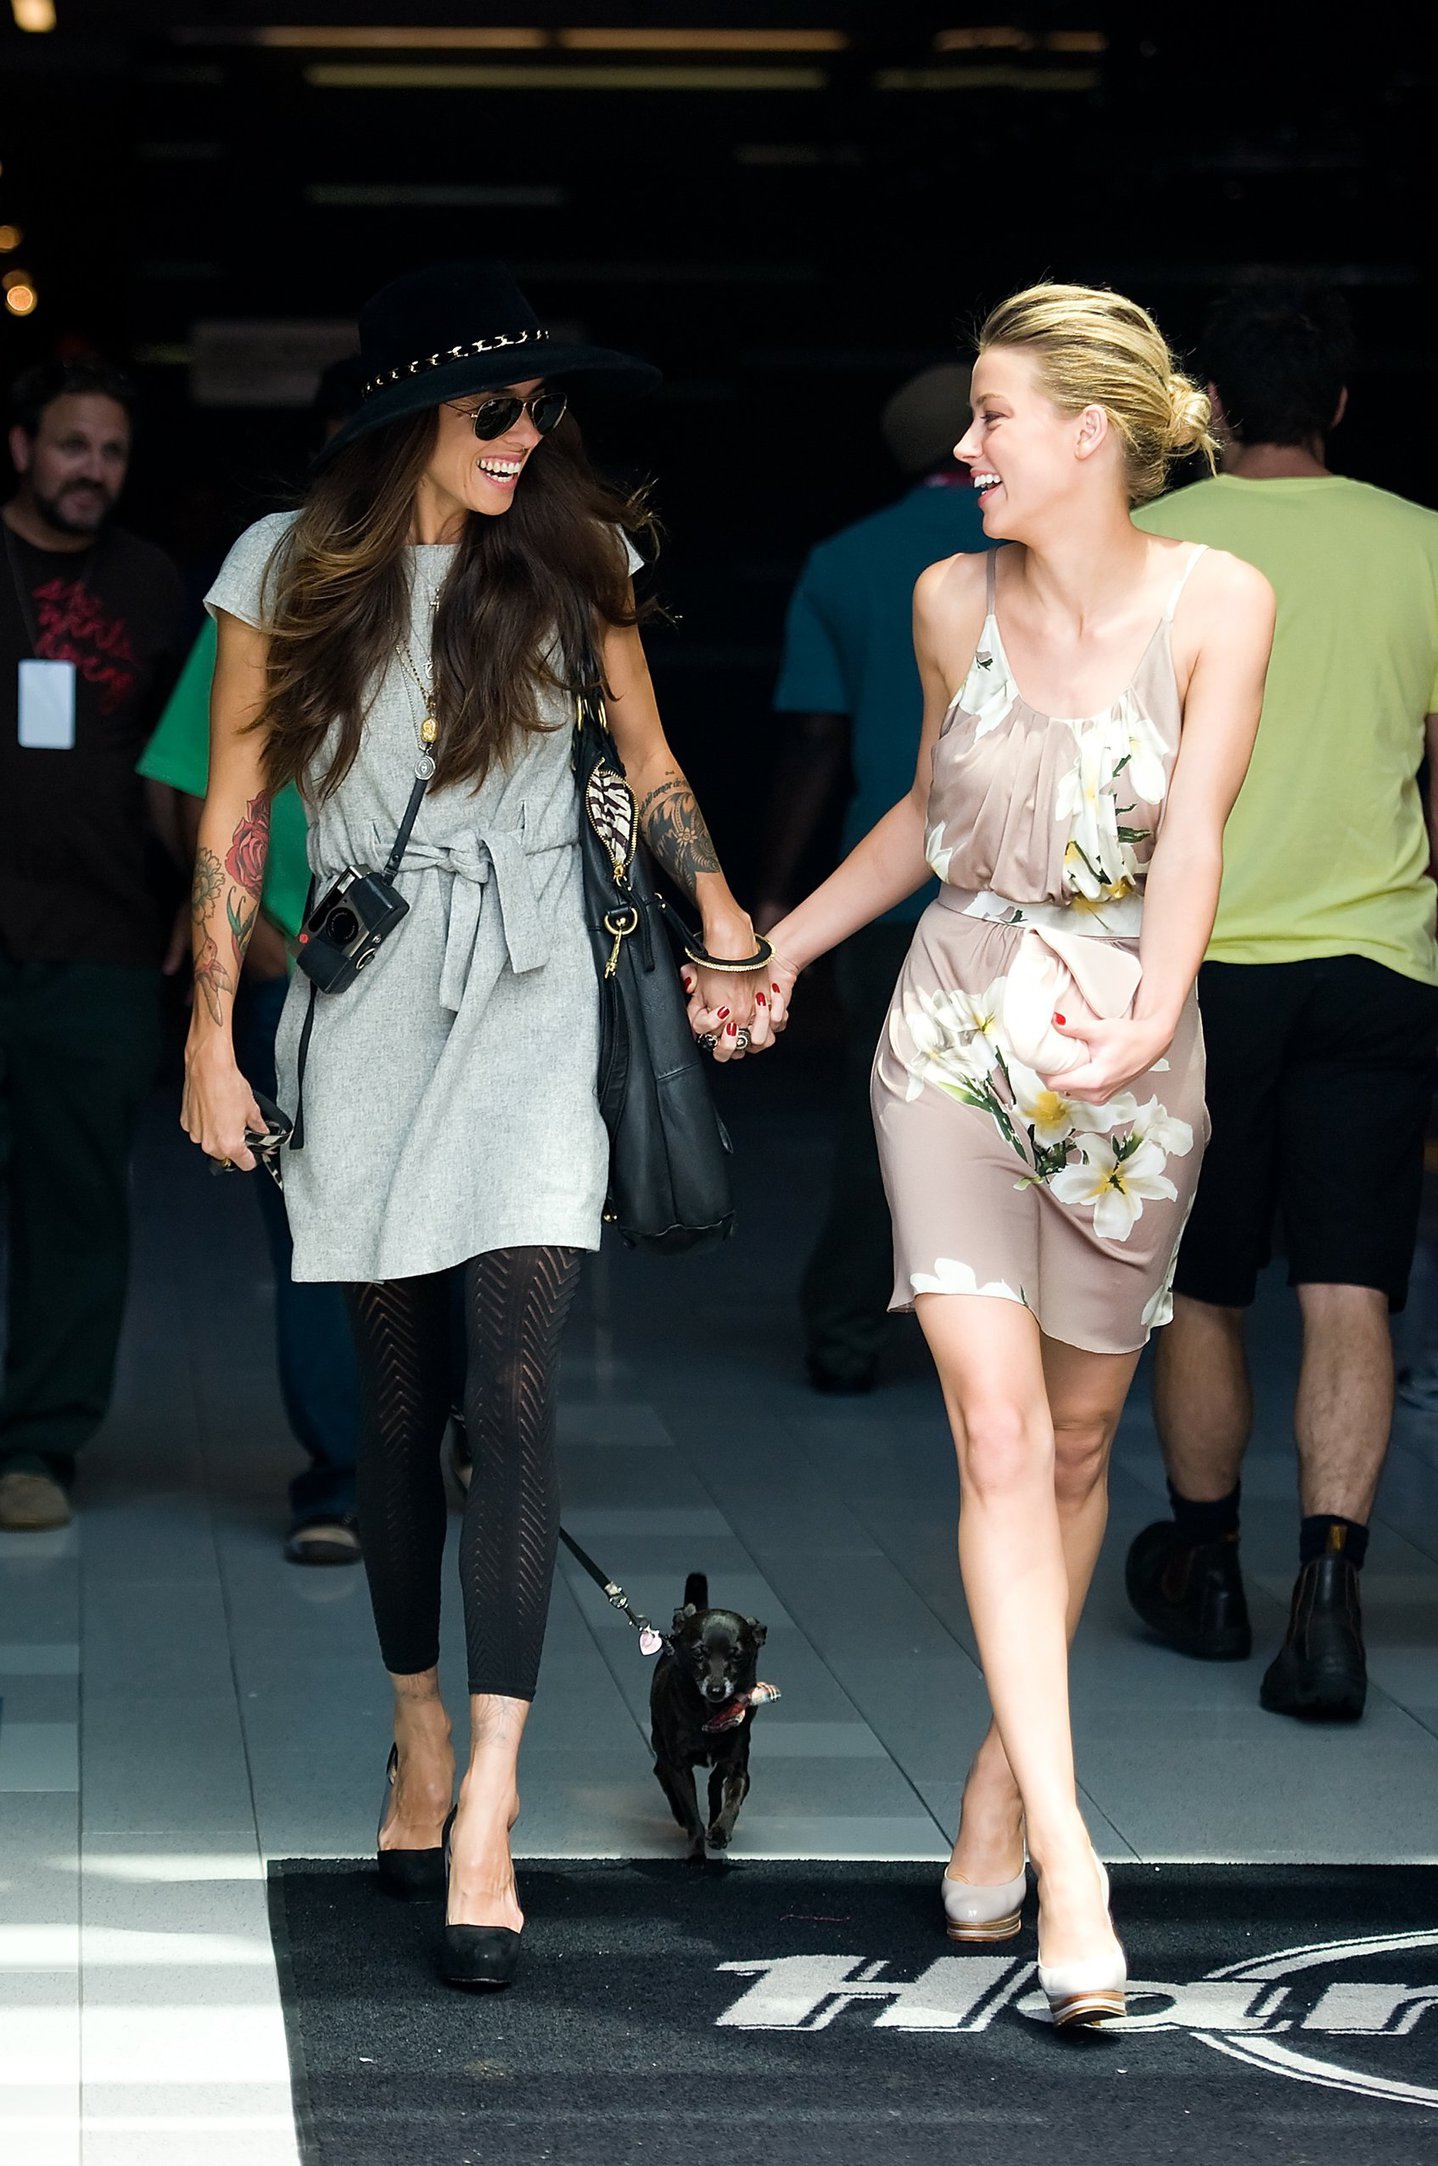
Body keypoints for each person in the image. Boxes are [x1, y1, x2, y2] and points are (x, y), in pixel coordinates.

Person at [180, 260, 774, 1989]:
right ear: (404, 421)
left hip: (529, 1003)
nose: (527, 437)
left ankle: (493, 1802)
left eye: (541, 410)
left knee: (512, 1392)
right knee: (397, 1403)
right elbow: (233, 816)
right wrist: (214, 1041)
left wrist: (725, 920)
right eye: (492, 410)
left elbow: (648, 765)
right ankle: (418, 1732)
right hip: (363, 1009)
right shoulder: (283, 571)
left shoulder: (579, 560)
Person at [758, 284, 1273, 2024]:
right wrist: (783, 947)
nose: (962, 449)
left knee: (1069, 1446)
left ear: (1089, 436)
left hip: (1127, 1037)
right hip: (958, 1028)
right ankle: (1069, 1848)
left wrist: (1152, 1015)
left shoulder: (1219, 602)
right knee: (988, 1432)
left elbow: (1191, 829)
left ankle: (998, 1765)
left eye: (989, 419)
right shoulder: (939, 596)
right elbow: (925, 810)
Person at [1124, 285, 1438, 1720]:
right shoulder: (1418, 542)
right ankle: (1326, 1589)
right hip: (1379, 959)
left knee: (1204, 1280)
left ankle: (1202, 1568)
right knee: (1349, 1283)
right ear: (1341, 407)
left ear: (1212, 410)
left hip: (1203, 969)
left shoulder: (1161, 548)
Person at [139, 359, 368, 1566]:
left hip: (453, 975)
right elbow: (195, 782)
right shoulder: (276, 579)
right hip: (295, 970)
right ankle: (338, 1475)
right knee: (315, 1233)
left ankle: (450, 1437)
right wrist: (261, 941)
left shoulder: (486, 577)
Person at [758, 365, 988, 1393]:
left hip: (891, 893)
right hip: (1042, 899)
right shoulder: (1055, 554)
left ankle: (847, 1334)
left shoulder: (845, 560)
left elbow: (814, 738)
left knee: (882, 1118)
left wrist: (776, 893)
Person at [0, 358, 186, 1531]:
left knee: (76, 1210)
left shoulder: (154, 585)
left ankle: (37, 1447)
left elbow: (195, 761)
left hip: (106, 942)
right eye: (73, 446)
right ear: (23, 449)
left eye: (112, 452)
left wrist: (202, 900)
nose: (93, 471)